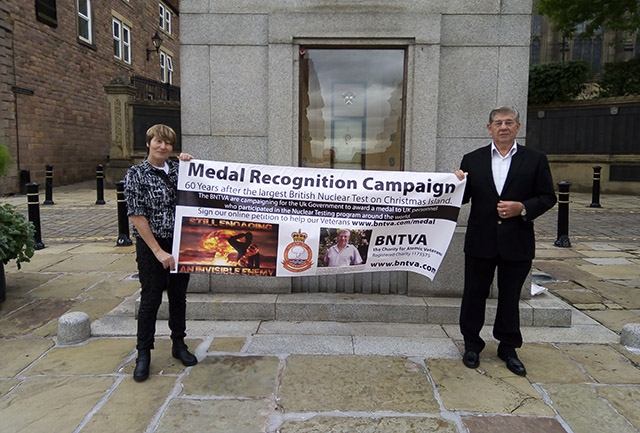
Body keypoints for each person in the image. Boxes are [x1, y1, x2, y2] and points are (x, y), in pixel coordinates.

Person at [454, 106, 556, 377]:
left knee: (510, 297)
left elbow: (548, 197)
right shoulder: (472, 160)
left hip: (517, 242)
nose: (503, 127)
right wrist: (455, 183)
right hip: (481, 241)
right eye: (498, 123)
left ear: (518, 127)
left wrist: (522, 207)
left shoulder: (535, 159)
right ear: (489, 128)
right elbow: (462, 199)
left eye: (509, 122)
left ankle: (508, 347)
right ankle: (472, 345)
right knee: (474, 294)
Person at [124, 124, 198, 383]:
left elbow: (202, 190)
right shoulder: (136, 174)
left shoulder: (179, 170)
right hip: (151, 245)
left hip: (181, 242)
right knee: (151, 299)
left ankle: (179, 344)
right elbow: (136, 214)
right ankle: (143, 353)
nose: (163, 147)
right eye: (158, 141)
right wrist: (157, 251)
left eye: (168, 143)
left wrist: (191, 163)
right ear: (148, 143)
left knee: (179, 296)